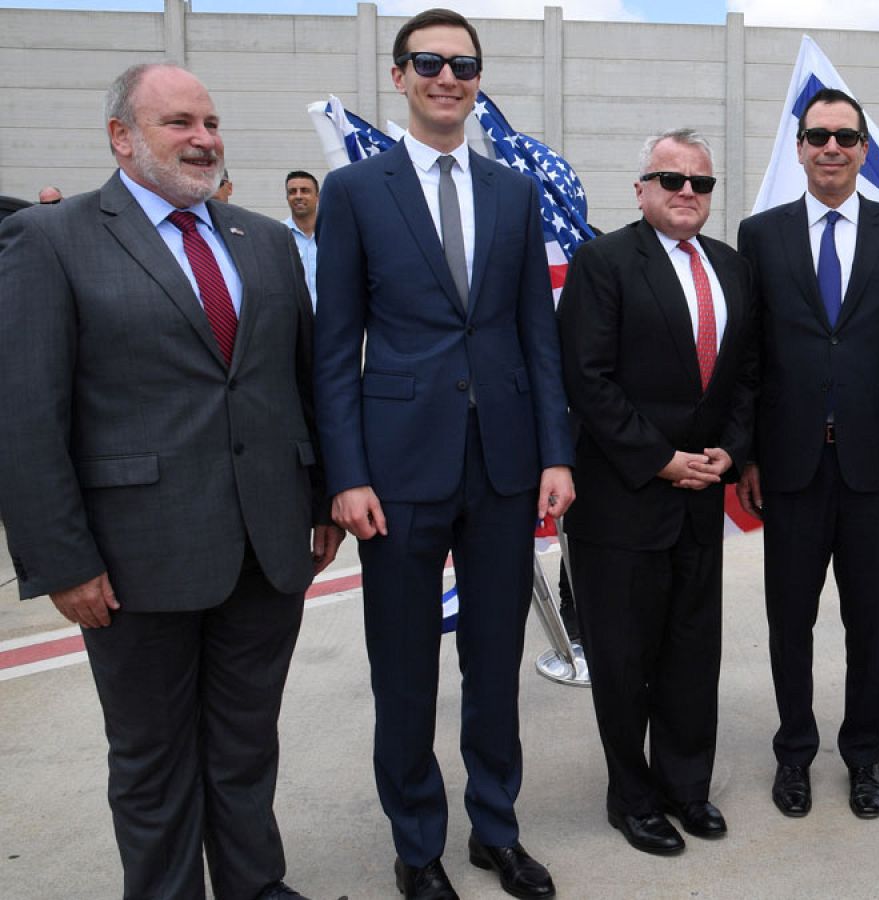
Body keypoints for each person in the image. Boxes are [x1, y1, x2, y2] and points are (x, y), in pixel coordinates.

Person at [0, 62, 340, 900]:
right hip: (133, 563)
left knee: (245, 745)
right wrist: (62, 559)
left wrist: (320, 496)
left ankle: (256, 887)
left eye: (211, 122)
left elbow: (301, 383)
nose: (204, 139)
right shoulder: (52, 240)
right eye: (179, 122)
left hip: (266, 550)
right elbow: (25, 413)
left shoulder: (263, 240)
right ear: (122, 136)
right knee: (153, 762)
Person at [313, 8, 575, 900]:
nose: (447, 77)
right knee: (406, 671)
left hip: (502, 466)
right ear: (400, 76)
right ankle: (418, 847)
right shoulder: (355, 191)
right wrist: (344, 475)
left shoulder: (511, 190)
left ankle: (494, 831)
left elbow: (536, 332)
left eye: (463, 64)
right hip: (396, 472)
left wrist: (555, 452)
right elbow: (334, 345)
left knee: (494, 664)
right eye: (428, 62)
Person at [735, 87, 879, 820]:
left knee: (868, 620)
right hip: (787, 466)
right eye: (818, 136)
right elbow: (748, 354)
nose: (831, 149)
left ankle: (863, 757)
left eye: (845, 137)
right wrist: (748, 451)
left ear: (864, 150)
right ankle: (794, 754)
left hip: (873, 467)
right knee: (790, 620)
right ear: (799, 147)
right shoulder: (761, 234)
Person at [559, 128, 757, 856]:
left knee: (689, 656)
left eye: (700, 184)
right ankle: (632, 796)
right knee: (623, 661)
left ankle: (685, 788)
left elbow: (747, 377)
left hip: (703, 500)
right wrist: (662, 457)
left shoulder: (733, 269)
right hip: (623, 501)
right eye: (670, 179)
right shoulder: (603, 262)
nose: (686, 193)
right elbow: (587, 379)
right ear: (640, 189)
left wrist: (730, 453)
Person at [282, 170, 319, 310]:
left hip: (331, 321)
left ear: (317, 197)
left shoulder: (334, 235)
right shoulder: (276, 236)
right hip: (294, 323)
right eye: (292, 191)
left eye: (305, 191)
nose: (298, 196)